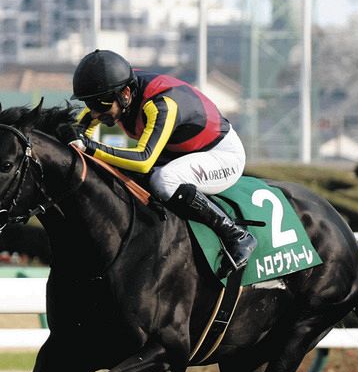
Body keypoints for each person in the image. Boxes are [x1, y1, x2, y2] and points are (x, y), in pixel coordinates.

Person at [59, 49, 256, 273]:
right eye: (90, 104)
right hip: (181, 152)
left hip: (221, 155)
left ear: (125, 94)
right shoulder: (116, 91)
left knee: (165, 180)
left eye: (101, 106)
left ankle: (236, 235)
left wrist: (91, 147)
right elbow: (78, 129)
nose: (95, 114)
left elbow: (143, 159)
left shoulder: (161, 104)